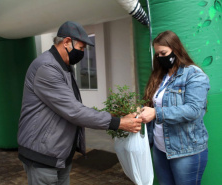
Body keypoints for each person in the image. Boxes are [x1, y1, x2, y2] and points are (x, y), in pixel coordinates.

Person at [17, 21, 142, 185]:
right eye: (81, 48)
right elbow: (74, 111)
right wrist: (118, 123)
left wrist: (114, 116)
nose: (82, 52)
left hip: (59, 153)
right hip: (42, 155)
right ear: (67, 42)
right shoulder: (47, 67)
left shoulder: (64, 67)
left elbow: (74, 108)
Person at [139, 30, 210, 185]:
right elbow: (155, 103)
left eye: (163, 53)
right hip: (160, 149)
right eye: (157, 54)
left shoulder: (194, 75)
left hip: (186, 152)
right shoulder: (162, 75)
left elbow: (193, 110)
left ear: (176, 49)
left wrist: (156, 113)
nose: (160, 58)